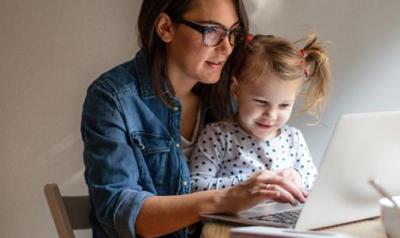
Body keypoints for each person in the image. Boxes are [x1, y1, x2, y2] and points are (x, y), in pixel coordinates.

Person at [81, 1, 307, 237]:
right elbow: (120, 211)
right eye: (212, 31)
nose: (227, 48)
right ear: (166, 28)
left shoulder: (233, 95)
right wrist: (228, 198)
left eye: (233, 33)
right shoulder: (113, 98)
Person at [190, 34, 330, 193]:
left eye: (284, 105)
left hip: (280, 216)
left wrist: (297, 178)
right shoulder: (217, 136)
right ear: (236, 90)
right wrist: (250, 182)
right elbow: (195, 186)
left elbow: (314, 183)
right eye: (261, 102)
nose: (271, 114)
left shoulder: (293, 139)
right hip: (229, 218)